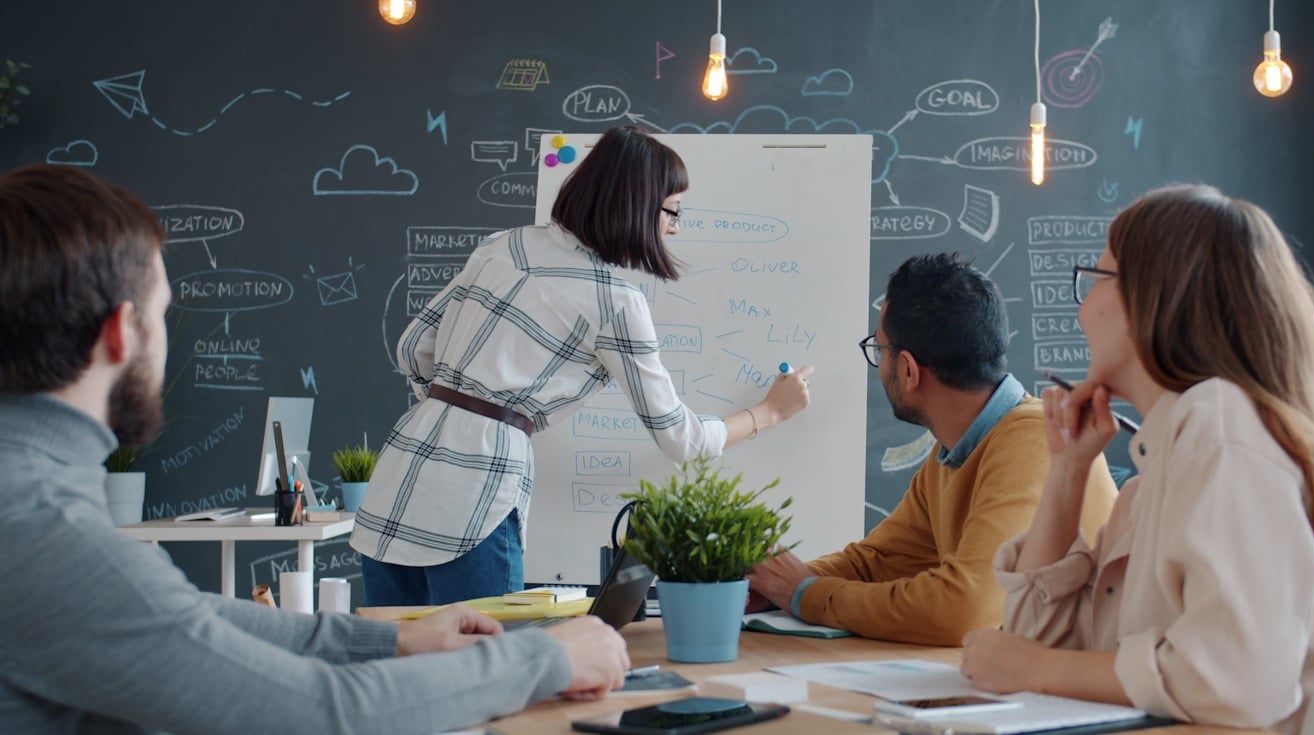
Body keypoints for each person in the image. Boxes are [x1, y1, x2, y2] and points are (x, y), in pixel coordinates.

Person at [0, 164, 631, 734]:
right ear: (117, 333)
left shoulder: (31, 503)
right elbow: (323, 714)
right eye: (162, 316)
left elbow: (191, 620)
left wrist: (389, 645)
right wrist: (544, 657)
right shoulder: (48, 535)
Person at [960, 185, 1314, 734]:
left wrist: (1041, 668)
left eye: (1096, 279)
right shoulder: (1165, 474)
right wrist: (1068, 472)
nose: (1082, 309)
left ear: (1150, 301)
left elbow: (1239, 684)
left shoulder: (1223, 426)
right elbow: (1024, 654)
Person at [350, 124, 813, 606]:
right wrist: (771, 413)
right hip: (476, 491)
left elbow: (412, 346)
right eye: (673, 211)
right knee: (490, 665)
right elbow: (683, 439)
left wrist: (456, 405)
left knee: (396, 664)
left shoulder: (504, 244)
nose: (675, 227)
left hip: (399, 472)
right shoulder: (615, 301)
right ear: (636, 205)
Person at [746, 253, 1117, 645]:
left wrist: (803, 593)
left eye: (880, 350)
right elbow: (879, 563)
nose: (879, 365)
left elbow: (966, 609)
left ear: (908, 369)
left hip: (1070, 693)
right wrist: (774, 586)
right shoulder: (955, 449)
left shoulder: (1033, 440)